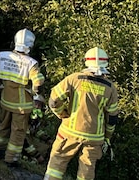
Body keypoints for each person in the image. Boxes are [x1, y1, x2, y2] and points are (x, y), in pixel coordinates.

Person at [43, 47, 119, 180]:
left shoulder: (74, 78)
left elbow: (54, 100)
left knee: (57, 163)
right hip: (94, 138)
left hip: (69, 132)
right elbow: (112, 118)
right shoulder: (110, 88)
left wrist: (62, 114)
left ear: (86, 61)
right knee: (87, 171)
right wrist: (107, 137)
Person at [0, 28, 45, 166]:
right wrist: (35, 92)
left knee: (3, 127)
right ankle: (11, 159)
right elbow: (38, 81)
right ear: (30, 45)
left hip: (5, 100)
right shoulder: (31, 63)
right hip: (22, 105)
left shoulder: (2, 56)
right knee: (18, 132)